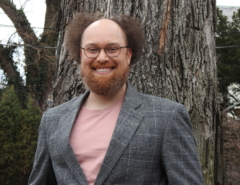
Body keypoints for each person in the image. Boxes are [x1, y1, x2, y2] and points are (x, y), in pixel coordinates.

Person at [28, 13, 204, 185]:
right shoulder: (53, 120)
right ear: (80, 55)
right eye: (92, 49)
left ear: (128, 55)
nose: (102, 57)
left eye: (112, 49)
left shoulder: (167, 117)